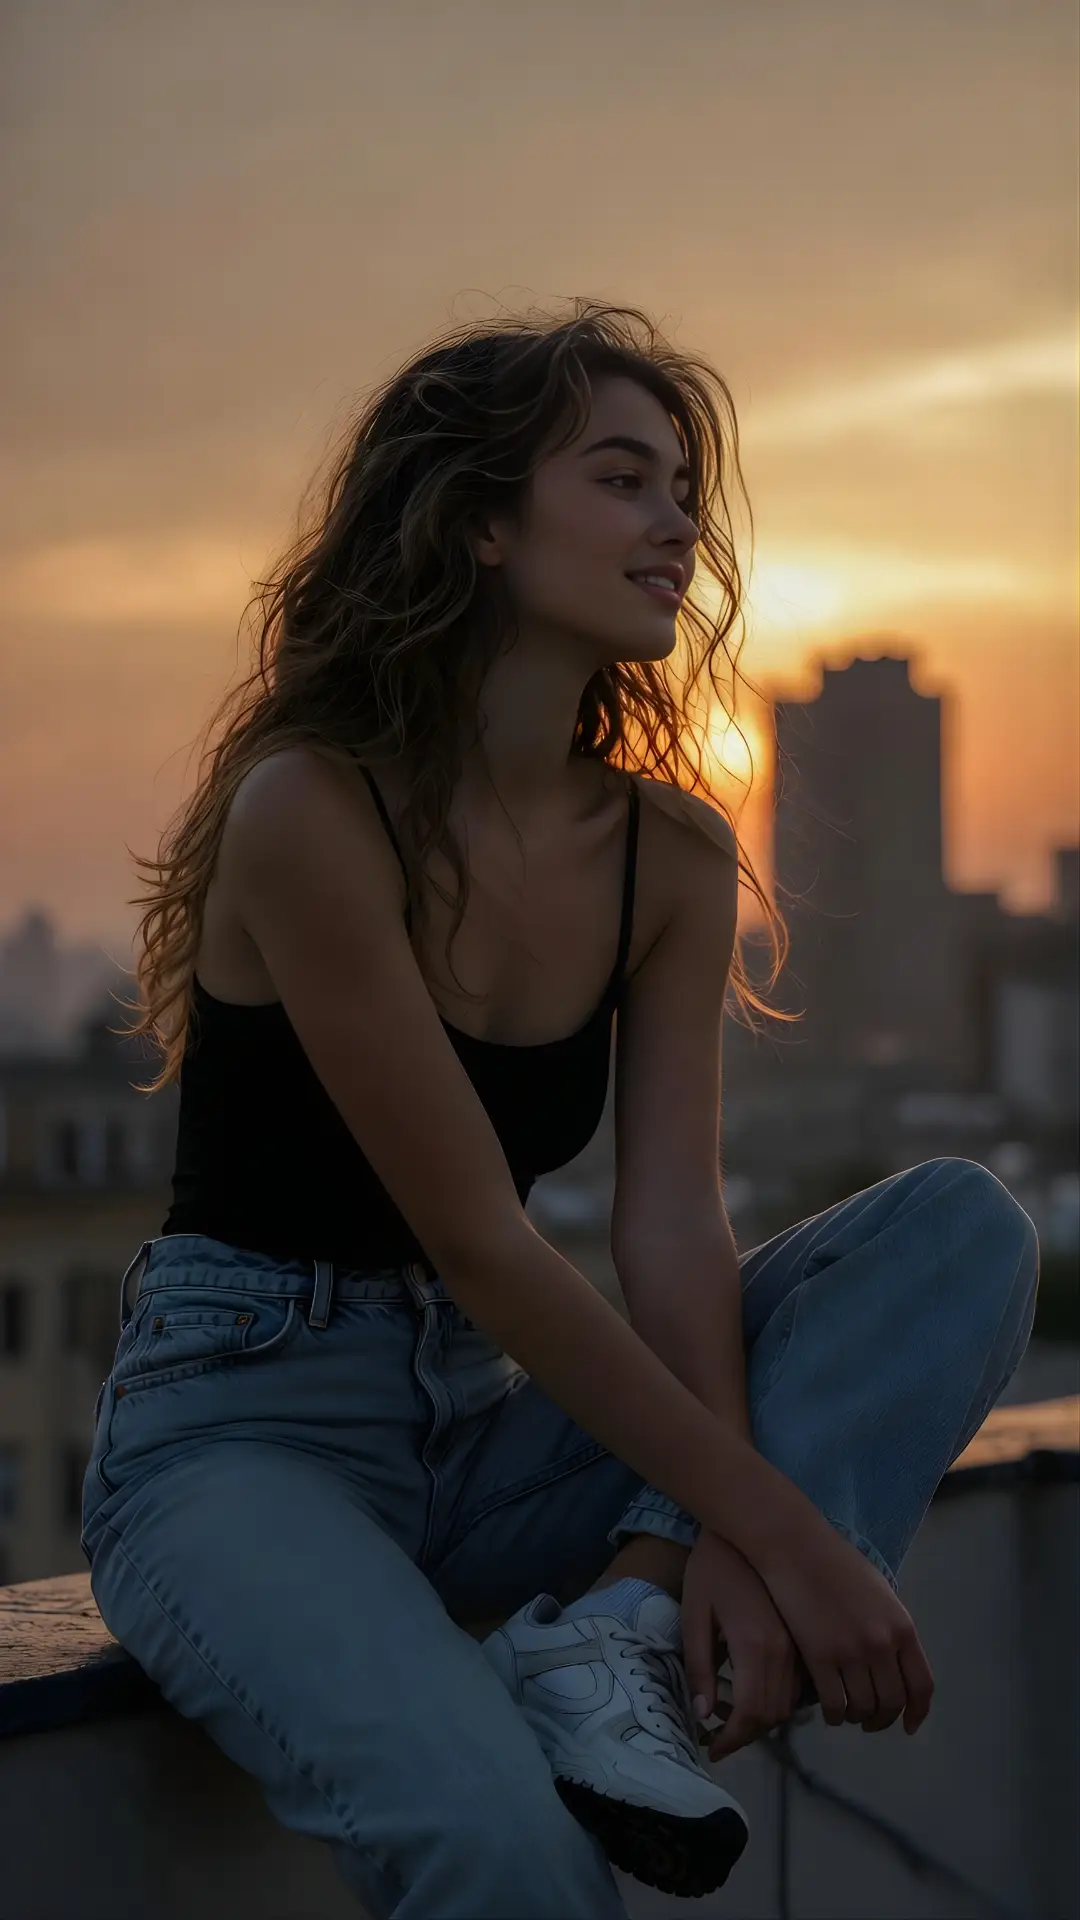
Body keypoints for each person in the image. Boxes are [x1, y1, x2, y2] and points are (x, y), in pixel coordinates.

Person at [81, 301, 1039, 1920]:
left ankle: (617, 1634)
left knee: (960, 1229)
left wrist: (692, 1545)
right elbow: (486, 1241)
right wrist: (792, 1539)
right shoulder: (314, 809)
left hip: (480, 1437)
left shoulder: (671, 852)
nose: (679, 526)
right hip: (244, 1441)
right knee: (508, 1852)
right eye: (621, 479)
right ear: (479, 523)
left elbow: (673, 1231)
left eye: (684, 491)